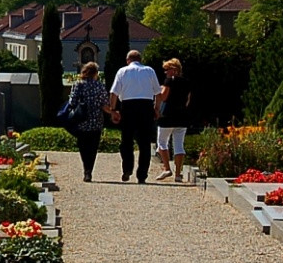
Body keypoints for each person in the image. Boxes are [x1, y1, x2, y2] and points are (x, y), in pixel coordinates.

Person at [108, 50, 161, 182]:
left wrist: (113, 110)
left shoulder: (122, 71)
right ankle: (142, 175)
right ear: (140, 59)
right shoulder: (149, 71)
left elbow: (114, 93)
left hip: (128, 106)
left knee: (126, 140)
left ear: (128, 60)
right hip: (146, 106)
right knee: (144, 143)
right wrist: (156, 108)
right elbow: (158, 93)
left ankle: (127, 169)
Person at [67, 62, 110, 182]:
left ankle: (86, 168)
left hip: (82, 119)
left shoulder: (78, 85)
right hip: (96, 120)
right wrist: (113, 113)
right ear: (95, 73)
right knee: (93, 147)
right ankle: (89, 170)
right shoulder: (99, 85)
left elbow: (72, 102)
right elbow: (104, 104)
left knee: (83, 146)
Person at [154, 57, 192, 182]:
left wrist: (159, 90)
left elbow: (164, 97)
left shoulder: (169, 81)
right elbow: (187, 101)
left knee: (162, 143)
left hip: (167, 115)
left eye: (167, 69)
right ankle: (178, 173)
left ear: (174, 70)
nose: (165, 72)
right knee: (179, 145)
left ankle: (166, 168)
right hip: (182, 116)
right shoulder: (187, 82)